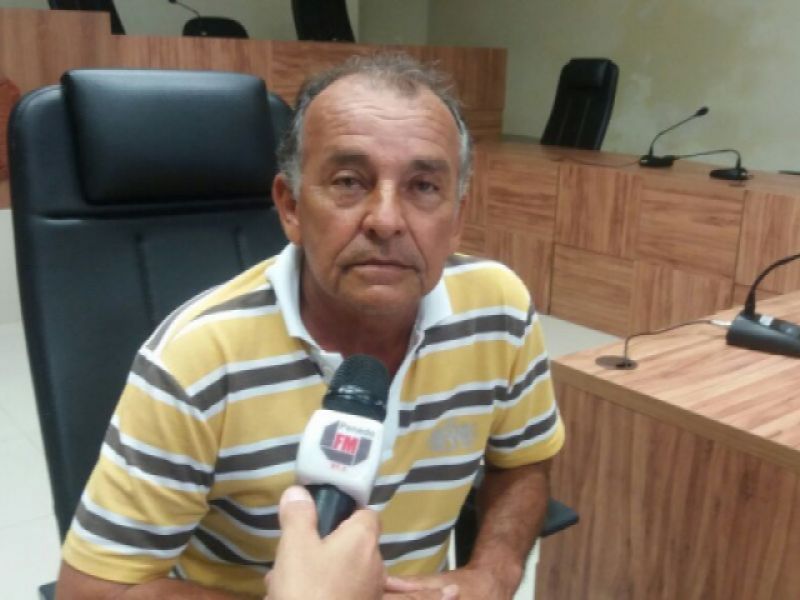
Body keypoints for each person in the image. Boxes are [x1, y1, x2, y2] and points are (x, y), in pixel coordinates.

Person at [55, 53, 564, 599]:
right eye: (349, 181)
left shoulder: (499, 309)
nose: (386, 220)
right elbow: (88, 591)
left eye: (423, 187)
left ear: (458, 217)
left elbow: (524, 460)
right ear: (291, 206)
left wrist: (493, 573)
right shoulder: (195, 359)